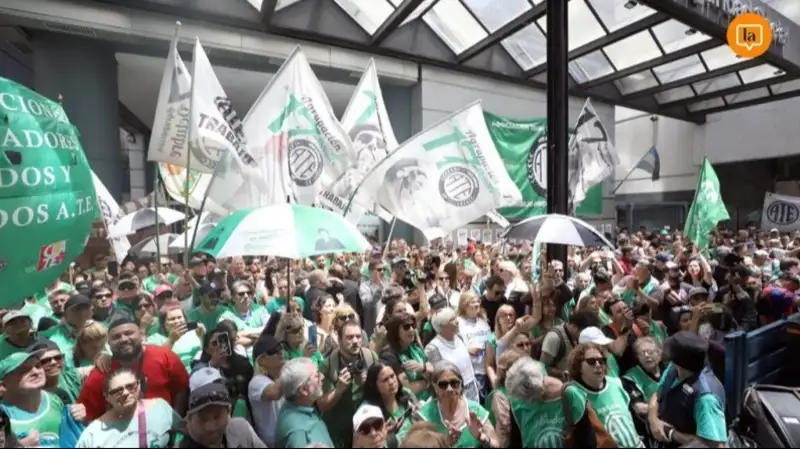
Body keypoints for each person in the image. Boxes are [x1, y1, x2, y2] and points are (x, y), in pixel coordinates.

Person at [78, 318, 190, 421]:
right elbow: (86, 412)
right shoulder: (102, 371)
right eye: (116, 337)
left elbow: (182, 389)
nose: (123, 339)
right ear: (108, 344)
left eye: (129, 333)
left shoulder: (164, 356)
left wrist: (176, 420)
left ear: (141, 335)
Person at [648, 331, 728, 448]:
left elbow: (716, 445)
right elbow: (657, 394)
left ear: (680, 362)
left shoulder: (706, 398)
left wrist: (671, 433)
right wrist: (653, 419)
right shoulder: (674, 369)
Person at [75, 368, 182, 448]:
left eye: (130, 386)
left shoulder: (160, 408)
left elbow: (183, 434)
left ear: (139, 385)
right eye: (117, 391)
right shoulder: (93, 433)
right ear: (107, 397)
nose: (125, 393)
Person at [563, 342, 643, 447]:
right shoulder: (575, 393)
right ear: (578, 365)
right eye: (591, 361)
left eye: (601, 361)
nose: (598, 365)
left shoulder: (616, 383)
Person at [0, 351, 84, 447]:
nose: (36, 372)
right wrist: (19, 446)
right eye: (24, 370)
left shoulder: (58, 398)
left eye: (38, 366)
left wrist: (80, 415)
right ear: (3, 385)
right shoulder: (2, 415)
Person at [318, 320, 378, 448]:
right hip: (339, 435)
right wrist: (338, 390)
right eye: (350, 337)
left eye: (358, 336)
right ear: (339, 340)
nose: (355, 341)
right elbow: (322, 406)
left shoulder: (370, 357)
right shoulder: (327, 366)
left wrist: (368, 383)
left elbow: (383, 390)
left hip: (365, 430)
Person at [504, 356, 567, 448]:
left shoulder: (568, 394)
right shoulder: (517, 405)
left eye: (527, 396)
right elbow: (516, 441)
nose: (527, 400)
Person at [179, 383, 266, 448]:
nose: (211, 427)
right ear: (189, 420)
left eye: (216, 417)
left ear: (228, 412)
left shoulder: (241, 429)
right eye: (203, 419)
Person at [274, 357, 334, 448]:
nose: (322, 377)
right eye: (317, 376)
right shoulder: (297, 433)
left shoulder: (302, 405)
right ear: (304, 390)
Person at [248, 334, 285, 447]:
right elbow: (274, 393)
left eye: (281, 349)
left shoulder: (278, 378)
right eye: (275, 351)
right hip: (272, 444)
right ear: (262, 360)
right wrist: (288, 369)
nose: (281, 353)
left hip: (286, 437)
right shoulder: (256, 381)